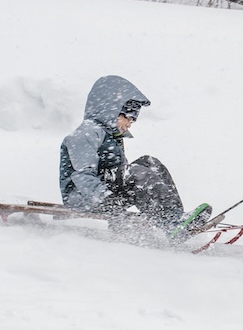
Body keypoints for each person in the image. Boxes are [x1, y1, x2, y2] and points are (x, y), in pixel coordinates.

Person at [59, 75, 211, 239]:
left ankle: (176, 217)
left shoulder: (110, 135)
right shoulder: (86, 133)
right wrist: (106, 199)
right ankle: (171, 222)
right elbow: (82, 175)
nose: (130, 123)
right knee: (136, 173)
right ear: (112, 111)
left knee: (150, 163)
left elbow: (119, 172)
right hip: (86, 198)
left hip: (106, 193)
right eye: (128, 117)